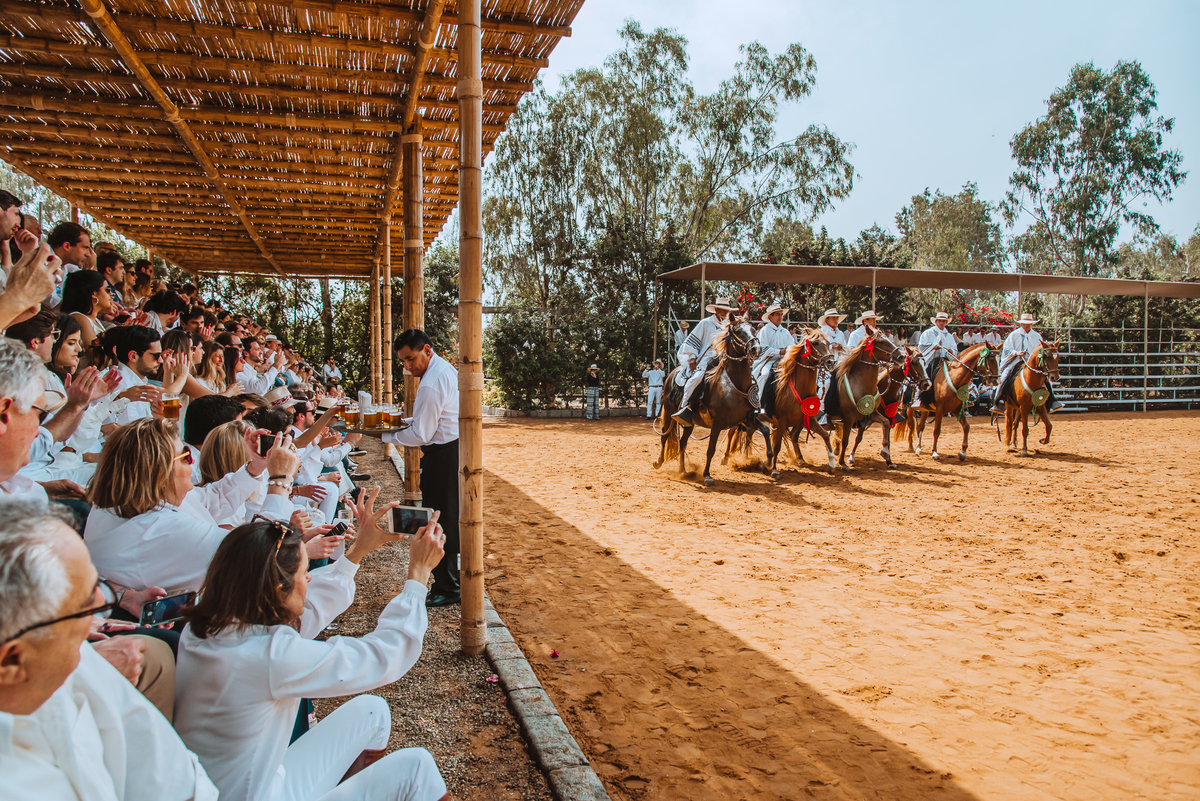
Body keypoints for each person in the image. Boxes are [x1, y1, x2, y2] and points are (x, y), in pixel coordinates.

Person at [174, 491, 449, 801]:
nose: (309, 580)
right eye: (305, 573)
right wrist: (418, 577)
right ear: (279, 588)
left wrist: (358, 549)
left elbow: (306, 613)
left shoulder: (210, 625)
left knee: (373, 711)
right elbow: (384, 656)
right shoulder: (269, 657)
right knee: (418, 769)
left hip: (253, 785)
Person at [0, 501, 221, 801]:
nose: (98, 620)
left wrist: (120, 596)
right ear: (13, 661)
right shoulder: (23, 782)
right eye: (85, 607)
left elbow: (178, 780)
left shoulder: (68, 665)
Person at [83, 418, 300, 590]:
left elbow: (211, 498)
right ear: (161, 471)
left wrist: (255, 466)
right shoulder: (160, 530)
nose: (192, 460)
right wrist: (281, 480)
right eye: (185, 456)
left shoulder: (123, 502)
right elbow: (262, 553)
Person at [364, 329, 461, 608]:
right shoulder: (442, 370)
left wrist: (386, 435)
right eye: (403, 362)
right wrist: (401, 422)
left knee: (439, 518)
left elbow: (421, 434)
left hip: (443, 455)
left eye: (411, 359)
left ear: (427, 350)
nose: (407, 367)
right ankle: (449, 580)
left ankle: (448, 586)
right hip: (448, 450)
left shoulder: (431, 383)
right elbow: (426, 420)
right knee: (445, 516)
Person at [672, 297, 735, 425]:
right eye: (723, 310)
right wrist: (693, 357)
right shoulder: (705, 323)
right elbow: (692, 342)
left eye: (727, 310)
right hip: (706, 359)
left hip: (724, 359)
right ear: (716, 310)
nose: (725, 313)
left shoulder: (729, 326)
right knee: (697, 378)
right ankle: (685, 407)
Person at [991, 312, 1064, 413]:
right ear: (1021, 324)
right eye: (1024, 323)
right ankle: (998, 402)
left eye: (1028, 323)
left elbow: (1041, 351)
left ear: (1032, 324)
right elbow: (1007, 349)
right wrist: (1016, 352)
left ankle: (1052, 401)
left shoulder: (1036, 336)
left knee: (1046, 378)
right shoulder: (1014, 335)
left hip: (1032, 364)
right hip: (1016, 361)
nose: (1025, 325)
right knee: (1005, 376)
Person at [95, 325, 163, 425]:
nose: (160, 360)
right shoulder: (122, 384)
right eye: (156, 356)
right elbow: (131, 434)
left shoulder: (132, 379)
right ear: (133, 356)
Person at [751, 304, 794, 411]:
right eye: (777, 314)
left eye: (781, 314)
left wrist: (789, 350)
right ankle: (757, 405)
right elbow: (763, 349)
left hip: (784, 361)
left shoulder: (785, 332)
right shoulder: (765, 331)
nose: (780, 317)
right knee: (765, 375)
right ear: (770, 317)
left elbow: (793, 345)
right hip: (768, 361)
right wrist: (779, 351)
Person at [918, 311, 958, 376]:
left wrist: (951, 351)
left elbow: (954, 349)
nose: (941, 323)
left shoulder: (949, 336)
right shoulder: (927, 333)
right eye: (940, 321)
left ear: (946, 322)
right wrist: (933, 347)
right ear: (936, 322)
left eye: (943, 321)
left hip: (944, 362)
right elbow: (921, 347)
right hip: (929, 361)